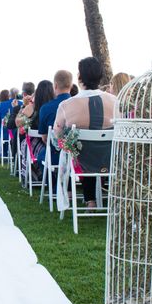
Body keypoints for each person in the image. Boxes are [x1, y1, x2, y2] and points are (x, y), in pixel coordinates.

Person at [54, 57, 116, 209]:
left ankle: (89, 201)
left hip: (80, 162)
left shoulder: (66, 105)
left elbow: (58, 134)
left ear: (80, 77)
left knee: (76, 149)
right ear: (100, 76)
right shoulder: (115, 102)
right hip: (111, 160)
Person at [16, 80, 54, 182]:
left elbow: (18, 122)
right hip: (53, 143)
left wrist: (23, 106)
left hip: (38, 144)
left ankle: (37, 171)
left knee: (26, 143)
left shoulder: (31, 108)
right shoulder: (55, 107)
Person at [37, 70, 72, 165]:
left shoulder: (45, 108)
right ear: (71, 86)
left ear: (55, 86)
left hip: (55, 155)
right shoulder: (79, 105)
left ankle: (51, 179)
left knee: (41, 157)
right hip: (77, 157)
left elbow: (44, 138)